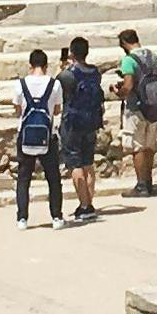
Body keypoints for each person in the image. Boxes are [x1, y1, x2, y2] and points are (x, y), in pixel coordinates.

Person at [11, 49, 63, 229]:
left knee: (24, 177)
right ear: (46, 66)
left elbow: (17, 111)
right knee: (53, 177)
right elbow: (57, 110)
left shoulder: (20, 85)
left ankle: (22, 218)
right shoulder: (55, 85)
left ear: (30, 65)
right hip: (48, 135)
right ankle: (56, 216)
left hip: (25, 134)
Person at [116, 28, 157, 197]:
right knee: (149, 146)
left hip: (136, 108)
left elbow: (128, 85)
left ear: (124, 43)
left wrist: (118, 91)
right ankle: (149, 181)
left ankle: (141, 185)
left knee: (137, 147)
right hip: (154, 105)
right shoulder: (153, 56)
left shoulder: (128, 60)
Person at [58, 37, 104, 221]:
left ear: (71, 53)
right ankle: (89, 202)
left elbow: (58, 90)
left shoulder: (68, 75)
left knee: (75, 164)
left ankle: (85, 206)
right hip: (91, 121)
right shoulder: (95, 72)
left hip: (73, 123)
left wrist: (62, 68)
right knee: (88, 163)